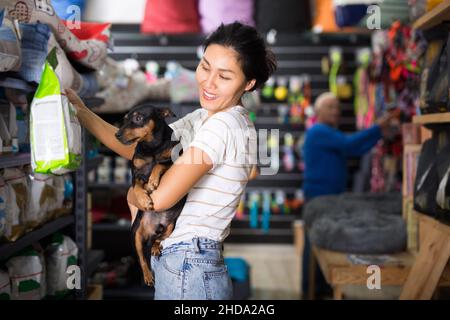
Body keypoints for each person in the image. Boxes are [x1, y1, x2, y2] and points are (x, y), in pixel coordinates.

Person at [66, 22, 276, 300]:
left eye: (224, 76)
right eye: (205, 66)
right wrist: (82, 111)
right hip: (185, 260)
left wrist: (132, 194)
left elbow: (159, 200)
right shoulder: (205, 118)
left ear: (248, 83)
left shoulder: (223, 125)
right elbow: (144, 149)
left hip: (190, 265)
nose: (208, 82)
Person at [301, 91, 394, 298]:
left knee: (320, 244)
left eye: (337, 108)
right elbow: (350, 145)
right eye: (330, 107)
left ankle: (318, 288)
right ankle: (312, 290)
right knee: (316, 245)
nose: (336, 111)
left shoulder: (326, 133)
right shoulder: (319, 131)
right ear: (318, 111)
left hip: (327, 197)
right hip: (321, 198)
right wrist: (378, 127)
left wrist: (378, 133)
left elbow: (355, 148)